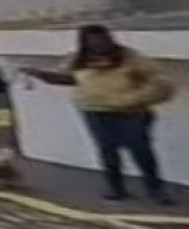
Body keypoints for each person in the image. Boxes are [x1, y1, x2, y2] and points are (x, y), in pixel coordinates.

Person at [20, 24, 177, 204]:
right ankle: (116, 189)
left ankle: (156, 191)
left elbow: (158, 78)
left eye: (103, 39)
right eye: (94, 40)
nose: (100, 44)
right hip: (94, 111)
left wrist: (139, 97)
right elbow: (67, 78)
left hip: (130, 111)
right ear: (85, 42)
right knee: (107, 150)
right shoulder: (78, 59)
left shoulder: (129, 56)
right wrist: (39, 74)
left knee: (141, 151)